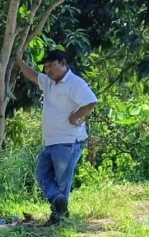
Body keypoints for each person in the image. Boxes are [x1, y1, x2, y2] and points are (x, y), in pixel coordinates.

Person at [14, 49, 98, 224]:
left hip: (68, 140)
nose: (48, 70)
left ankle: (58, 217)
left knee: (62, 182)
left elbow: (91, 101)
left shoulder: (75, 83)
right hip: (51, 140)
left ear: (63, 64)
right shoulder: (49, 83)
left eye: (51, 65)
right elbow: (33, 75)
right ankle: (59, 208)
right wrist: (19, 61)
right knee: (41, 174)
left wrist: (75, 116)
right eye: (45, 66)